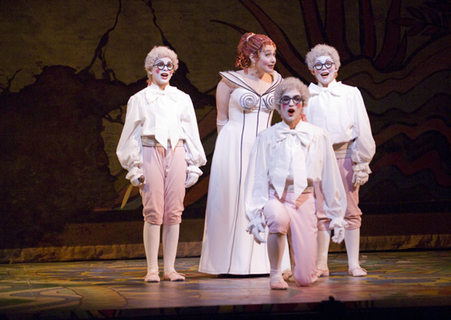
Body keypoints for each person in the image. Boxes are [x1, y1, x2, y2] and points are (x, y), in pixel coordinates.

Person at [199, 32, 289, 275]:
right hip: (235, 146)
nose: (272, 60)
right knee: (234, 199)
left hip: (265, 147)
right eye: (267, 55)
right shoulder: (228, 82)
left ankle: (270, 263)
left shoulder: (278, 82)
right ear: (251, 55)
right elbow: (221, 120)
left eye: (274, 55)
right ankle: (229, 263)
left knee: (265, 198)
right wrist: (224, 155)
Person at [244, 77, 347, 289]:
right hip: (276, 196)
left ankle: (301, 271)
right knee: (278, 220)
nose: (291, 104)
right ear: (278, 106)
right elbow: (258, 176)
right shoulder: (267, 136)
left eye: (296, 99)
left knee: (305, 279)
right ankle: (275, 274)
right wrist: (255, 213)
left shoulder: (318, 135)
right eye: (286, 100)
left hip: (304, 198)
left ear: (303, 104)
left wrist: (336, 214)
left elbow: (329, 176)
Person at [117, 45, 206, 282]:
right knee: (153, 211)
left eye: (169, 65)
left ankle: (169, 268)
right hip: (149, 152)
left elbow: (190, 131)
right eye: (160, 65)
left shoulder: (181, 98)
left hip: (176, 152)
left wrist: (193, 164)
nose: (165, 69)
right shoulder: (139, 99)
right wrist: (134, 167)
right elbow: (131, 134)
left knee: (174, 211)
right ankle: (152, 269)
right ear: (150, 69)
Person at [304, 44, 376, 277]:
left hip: (344, 156)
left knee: (350, 210)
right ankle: (321, 263)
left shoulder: (350, 93)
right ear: (312, 70)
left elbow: (361, 126)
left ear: (336, 68)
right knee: (321, 211)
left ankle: (353, 263)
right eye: (318, 65)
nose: (324, 69)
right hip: (318, 159)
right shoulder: (306, 95)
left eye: (328, 64)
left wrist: (361, 161)